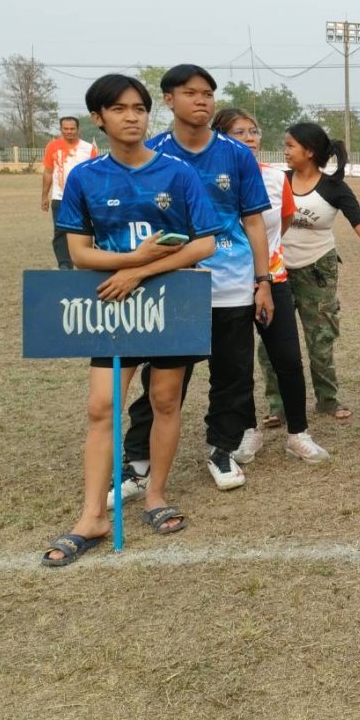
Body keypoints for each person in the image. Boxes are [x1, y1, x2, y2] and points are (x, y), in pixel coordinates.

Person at [41, 74, 219, 566]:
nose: (132, 117)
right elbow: (80, 253)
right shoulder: (85, 177)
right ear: (98, 117)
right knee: (102, 408)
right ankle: (92, 516)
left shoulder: (178, 173)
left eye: (139, 108)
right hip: (113, 307)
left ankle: (156, 495)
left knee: (165, 400)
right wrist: (128, 265)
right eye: (119, 109)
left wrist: (140, 270)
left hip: (169, 303)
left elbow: (205, 243)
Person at [119, 64, 274, 494]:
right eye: (190, 93)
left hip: (231, 284)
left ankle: (222, 449)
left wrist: (262, 280)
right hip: (173, 285)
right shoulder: (150, 152)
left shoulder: (236, 154)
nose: (201, 100)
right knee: (162, 380)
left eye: (207, 93)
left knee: (233, 376)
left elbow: (253, 222)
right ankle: (139, 459)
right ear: (169, 100)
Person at [212, 108, 329, 465]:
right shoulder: (209, 178)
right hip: (228, 284)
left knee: (288, 359)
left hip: (273, 280)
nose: (250, 138)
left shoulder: (277, 179)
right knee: (237, 364)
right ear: (220, 138)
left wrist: (267, 266)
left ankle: (298, 434)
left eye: (254, 131)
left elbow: (284, 220)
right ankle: (248, 431)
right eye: (239, 132)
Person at [268, 123, 360, 428]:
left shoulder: (334, 187)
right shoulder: (278, 181)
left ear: (309, 151)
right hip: (278, 269)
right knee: (272, 340)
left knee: (321, 337)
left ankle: (327, 400)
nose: (285, 151)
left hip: (318, 270)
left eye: (290, 146)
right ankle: (278, 406)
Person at [40, 116, 98, 269]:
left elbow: (94, 175)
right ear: (61, 129)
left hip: (82, 198)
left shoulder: (89, 149)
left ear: (78, 129)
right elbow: (48, 172)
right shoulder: (53, 147)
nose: (69, 132)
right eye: (65, 129)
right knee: (60, 232)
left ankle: (86, 263)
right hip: (60, 197)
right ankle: (65, 265)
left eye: (72, 129)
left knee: (85, 230)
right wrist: (44, 196)